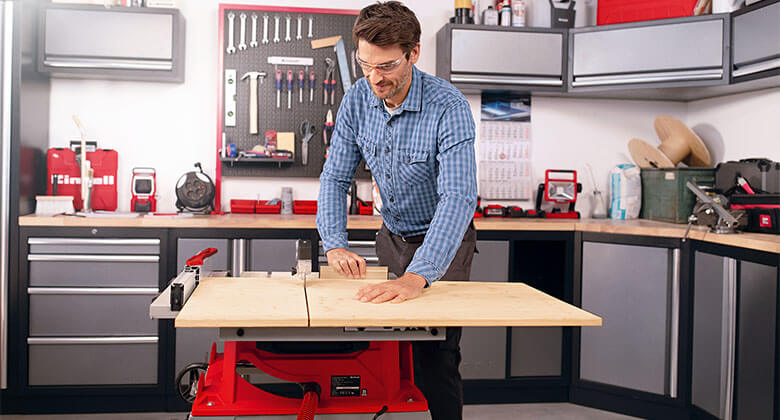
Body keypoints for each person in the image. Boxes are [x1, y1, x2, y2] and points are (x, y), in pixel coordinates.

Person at [315, 2, 477, 419]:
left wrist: (418, 276)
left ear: (414, 52)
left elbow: (458, 198)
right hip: (393, 237)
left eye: (385, 66)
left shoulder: (449, 107)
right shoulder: (356, 99)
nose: (374, 78)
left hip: (446, 242)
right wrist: (334, 243)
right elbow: (335, 178)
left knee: (437, 355)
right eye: (364, 64)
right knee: (391, 349)